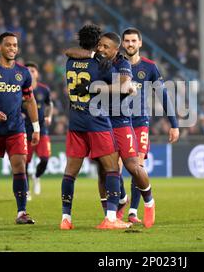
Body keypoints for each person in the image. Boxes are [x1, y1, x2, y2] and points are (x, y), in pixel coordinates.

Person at [66, 32, 157, 228]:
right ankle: (110, 214)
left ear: (116, 50)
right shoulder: (96, 60)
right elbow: (69, 51)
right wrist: (92, 56)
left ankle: (149, 202)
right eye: (100, 45)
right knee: (103, 171)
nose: (101, 49)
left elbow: (124, 88)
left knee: (133, 166)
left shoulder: (122, 62)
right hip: (99, 121)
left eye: (106, 47)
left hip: (120, 121)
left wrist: (92, 88)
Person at [61, 25, 131, 230]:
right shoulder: (102, 64)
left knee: (70, 173)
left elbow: (69, 50)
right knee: (111, 169)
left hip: (75, 120)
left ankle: (66, 218)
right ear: (97, 43)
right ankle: (110, 218)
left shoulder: (70, 61)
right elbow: (123, 88)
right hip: (97, 121)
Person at [0, 32, 40, 224]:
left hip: (16, 129)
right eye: (8, 45)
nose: (12, 48)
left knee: (19, 166)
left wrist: (36, 127)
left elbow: (29, 101)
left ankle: (21, 212)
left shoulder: (23, 73)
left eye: (15, 45)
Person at [121, 27, 180, 223]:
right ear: (122, 44)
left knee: (137, 166)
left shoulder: (149, 67)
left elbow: (163, 95)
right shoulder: (115, 65)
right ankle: (120, 201)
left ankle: (133, 212)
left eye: (133, 41)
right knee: (114, 167)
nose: (130, 44)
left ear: (140, 43)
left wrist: (174, 124)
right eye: (127, 41)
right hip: (117, 122)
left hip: (139, 122)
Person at [22, 62, 53, 200]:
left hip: (41, 129)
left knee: (45, 159)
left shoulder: (44, 89)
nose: (30, 72)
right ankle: (26, 190)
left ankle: (36, 176)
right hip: (24, 130)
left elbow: (49, 104)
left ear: (37, 73)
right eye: (27, 70)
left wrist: (49, 116)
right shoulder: (19, 89)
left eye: (33, 70)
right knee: (24, 163)